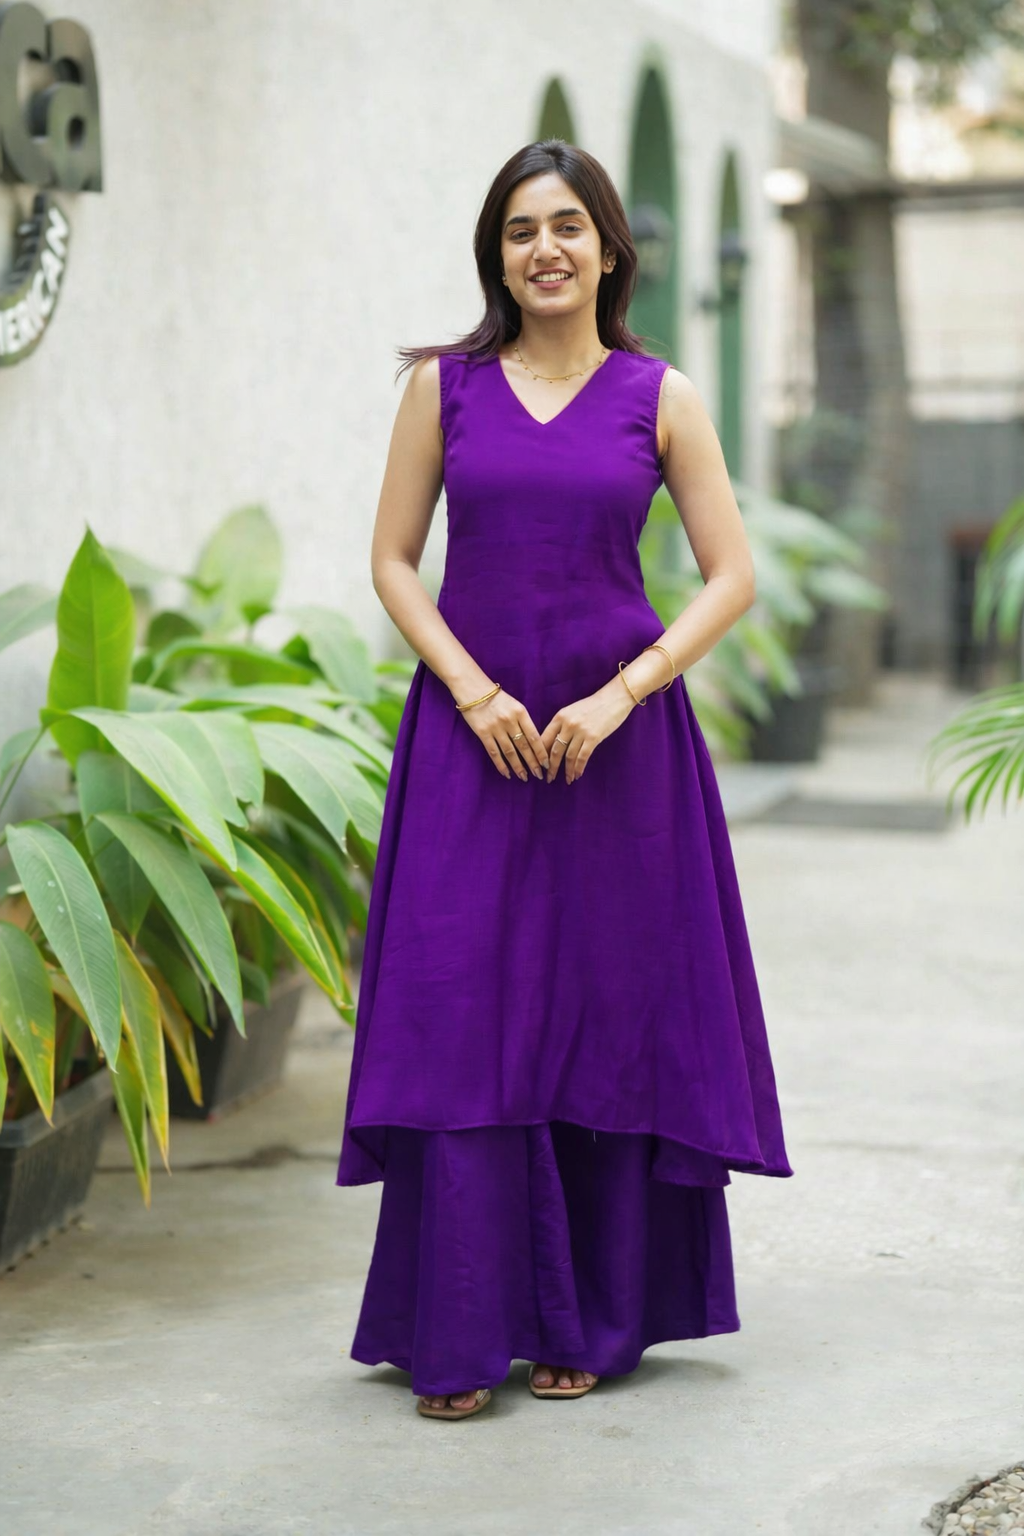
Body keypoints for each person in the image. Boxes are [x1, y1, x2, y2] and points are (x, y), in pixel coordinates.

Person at [336, 138, 794, 1422]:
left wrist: (621, 694)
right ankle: (457, 1326)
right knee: (461, 1009)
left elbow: (730, 576)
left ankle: (587, 1316)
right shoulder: (444, 389)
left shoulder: (661, 395)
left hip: (619, 756)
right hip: (469, 747)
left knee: (604, 1012)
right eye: (520, 230)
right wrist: (473, 691)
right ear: (497, 254)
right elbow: (392, 560)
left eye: (566, 226)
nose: (544, 249)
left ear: (607, 248)